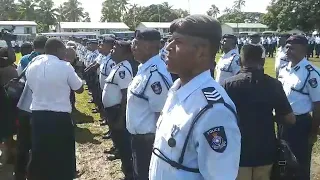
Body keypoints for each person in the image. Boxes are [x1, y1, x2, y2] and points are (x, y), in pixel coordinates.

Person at [149, 14, 241, 180]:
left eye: (177, 42)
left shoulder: (214, 110)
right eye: (170, 40)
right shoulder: (177, 89)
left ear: (201, 52)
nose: (167, 47)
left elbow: (220, 177)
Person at [222, 44, 296, 180]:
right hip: (265, 149)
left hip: (239, 149)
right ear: (262, 61)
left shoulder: (227, 84)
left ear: (240, 61)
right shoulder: (274, 84)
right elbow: (290, 119)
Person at [26, 38, 83, 180]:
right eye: (64, 50)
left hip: (38, 115)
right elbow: (79, 88)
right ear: (58, 50)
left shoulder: (32, 66)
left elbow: (32, 88)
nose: (66, 53)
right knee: (63, 151)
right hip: (59, 117)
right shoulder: (65, 66)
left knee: (40, 149)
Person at [127, 29, 173, 180]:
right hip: (139, 139)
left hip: (148, 142)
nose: (133, 48)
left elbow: (163, 114)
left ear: (149, 46)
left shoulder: (156, 74)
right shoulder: (145, 69)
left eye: (136, 44)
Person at [278, 35, 320, 180]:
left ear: (303, 49)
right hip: (282, 122)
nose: (288, 50)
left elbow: (318, 105)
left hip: (300, 124)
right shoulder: (283, 69)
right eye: (287, 47)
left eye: (292, 48)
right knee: (283, 159)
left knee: (300, 162)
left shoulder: (311, 73)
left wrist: (314, 131)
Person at [15, 36, 48, 180]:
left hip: (24, 106)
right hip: (41, 108)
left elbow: (19, 80)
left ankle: (20, 174)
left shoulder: (24, 60)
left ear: (33, 46)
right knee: (40, 143)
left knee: (23, 143)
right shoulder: (50, 61)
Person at [102, 40, 134, 180]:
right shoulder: (118, 66)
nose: (112, 50)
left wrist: (121, 118)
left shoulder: (123, 70)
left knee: (124, 145)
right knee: (120, 143)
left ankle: (129, 174)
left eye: (115, 48)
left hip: (117, 111)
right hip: (112, 110)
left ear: (125, 52)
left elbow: (126, 95)